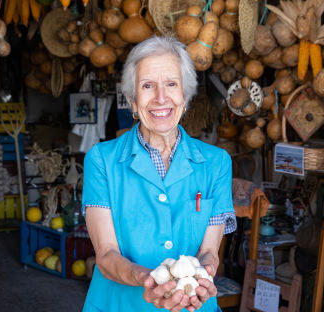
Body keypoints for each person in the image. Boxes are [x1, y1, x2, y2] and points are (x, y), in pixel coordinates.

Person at [82, 36, 236, 312]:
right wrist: (147, 279)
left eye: (171, 84)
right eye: (147, 86)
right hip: (119, 306)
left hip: (193, 305)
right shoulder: (102, 160)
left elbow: (209, 252)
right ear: (132, 100)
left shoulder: (216, 163)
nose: (161, 98)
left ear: (186, 97)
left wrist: (205, 274)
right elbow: (105, 255)